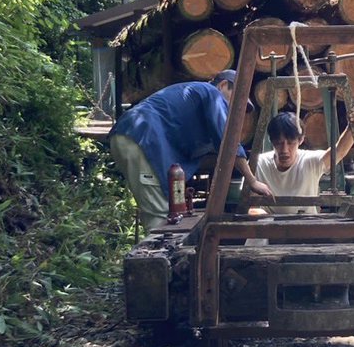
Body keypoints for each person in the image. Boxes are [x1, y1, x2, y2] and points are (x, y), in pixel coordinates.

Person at [110, 70, 273, 233]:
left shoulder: (195, 98)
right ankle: (155, 258)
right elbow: (229, 142)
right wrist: (252, 181)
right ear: (223, 85)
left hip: (129, 136)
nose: (233, 109)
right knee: (160, 217)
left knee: (160, 210)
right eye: (235, 100)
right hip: (142, 137)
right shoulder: (211, 94)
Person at [254, 103, 354, 214]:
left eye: (291, 143)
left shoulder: (309, 161)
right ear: (271, 141)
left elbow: (338, 152)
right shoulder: (259, 164)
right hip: (271, 227)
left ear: (301, 140)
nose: (284, 150)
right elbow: (250, 205)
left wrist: (353, 127)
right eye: (279, 143)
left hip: (307, 225)